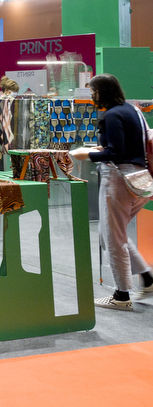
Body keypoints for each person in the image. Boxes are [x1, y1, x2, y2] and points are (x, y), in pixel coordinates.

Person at [70, 74, 153, 311]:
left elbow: (114, 154)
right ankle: (146, 278)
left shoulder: (111, 115)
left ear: (102, 92)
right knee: (110, 234)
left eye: (93, 92)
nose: (92, 96)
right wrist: (102, 148)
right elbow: (135, 143)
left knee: (112, 237)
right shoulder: (132, 110)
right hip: (140, 180)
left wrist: (85, 154)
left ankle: (121, 295)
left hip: (118, 180)